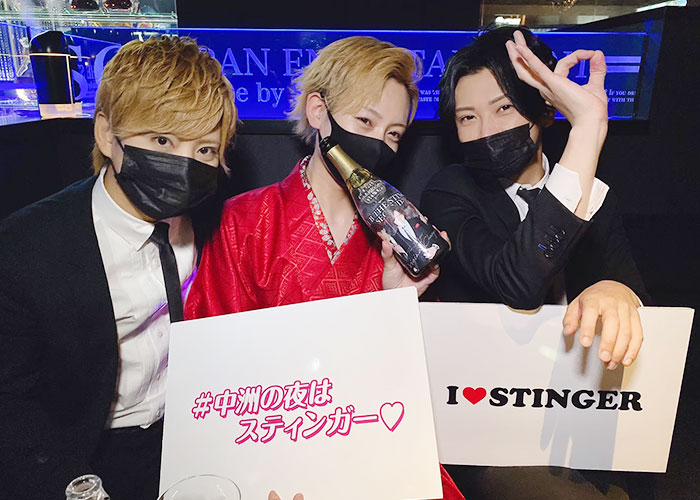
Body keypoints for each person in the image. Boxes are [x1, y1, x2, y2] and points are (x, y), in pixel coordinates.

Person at [186, 36, 464, 500]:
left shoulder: (398, 234)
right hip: (266, 442)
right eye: (364, 121)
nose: (377, 143)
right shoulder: (245, 221)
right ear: (318, 112)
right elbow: (211, 361)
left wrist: (397, 301)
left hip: (372, 438)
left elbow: (409, 380)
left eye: (393, 133)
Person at [0, 36, 236, 500]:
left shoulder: (217, 222)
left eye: (205, 150)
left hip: (195, 433)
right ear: (108, 135)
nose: (184, 165)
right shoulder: (27, 248)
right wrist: (76, 486)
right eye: (163, 140)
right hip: (85, 452)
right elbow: (9, 401)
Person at [421, 26, 651, 500]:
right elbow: (517, 281)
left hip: (585, 412)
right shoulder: (449, 192)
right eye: (467, 117)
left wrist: (617, 291)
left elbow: (634, 293)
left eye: (504, 108)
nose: (486, 130)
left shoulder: (595, 192)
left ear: (545, 109)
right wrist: (587, 129)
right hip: (493, 428)